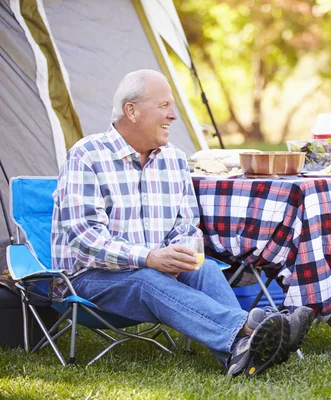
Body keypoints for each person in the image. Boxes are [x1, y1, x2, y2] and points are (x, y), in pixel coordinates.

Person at [51, 69, 314, 377]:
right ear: (131, 110)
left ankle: (241, 352)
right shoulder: (86, 155)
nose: (173, 116)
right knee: (145, 278)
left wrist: (178, 253)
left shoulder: (173, 159)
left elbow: (186, 224)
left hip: (155, 269)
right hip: (87, 278)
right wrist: (149, 257)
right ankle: (250, 326)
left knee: (201, 268)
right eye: (164, 106)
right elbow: (84, 236)